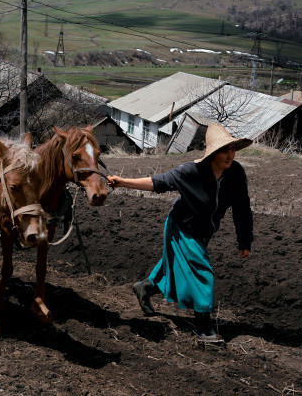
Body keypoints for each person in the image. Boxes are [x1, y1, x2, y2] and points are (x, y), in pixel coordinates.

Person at [107, 123, 254, 341]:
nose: (230, 154)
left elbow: (242, 208)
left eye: (232, 149)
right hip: (182, 226)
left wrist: (244, 240)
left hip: (204, 232)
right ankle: (204, 327)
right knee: (202, 272)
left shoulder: (236, 174)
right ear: (213, 152)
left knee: (175, 266)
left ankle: (145, 287)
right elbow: (158, 183)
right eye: (225, 150)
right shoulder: (191, 171)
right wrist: (122, 182)